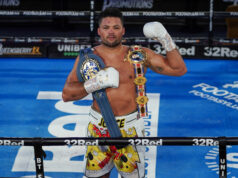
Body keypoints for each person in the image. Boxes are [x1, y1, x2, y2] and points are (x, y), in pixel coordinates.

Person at [62, 7, 187, 178]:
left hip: (131, 129)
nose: (111, 32)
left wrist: (165, 38)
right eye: (106, 28)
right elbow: (67, 95)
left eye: (116, 27)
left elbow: (178, 69)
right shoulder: (87, 58)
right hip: (98, 128)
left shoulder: (139, 54)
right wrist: (94, 84)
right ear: (99, 31)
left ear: (123, 31)